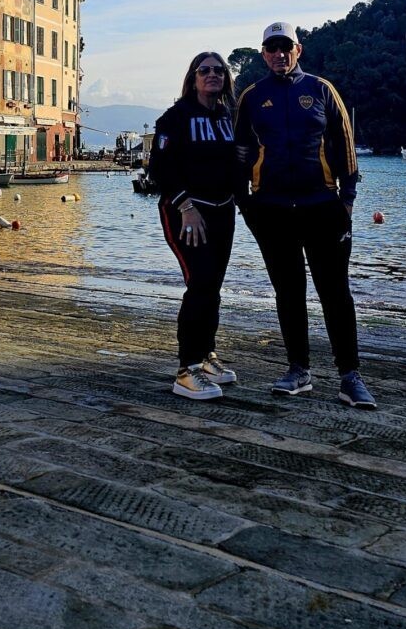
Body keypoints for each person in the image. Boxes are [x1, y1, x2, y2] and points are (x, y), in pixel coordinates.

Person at [234, 20, 376, 409]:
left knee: (335, 293)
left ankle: (350, 376)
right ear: (263, 54)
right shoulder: (251, 96)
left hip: (322, 207)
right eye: (271, 48)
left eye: (286, 47)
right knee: (289, 292)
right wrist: (246, 203)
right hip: (272, 211)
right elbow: (241, 152)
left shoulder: (321, 90)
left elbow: (346, 146)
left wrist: (346, 202)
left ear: (298, 50)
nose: (279, 54)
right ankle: (299, 370)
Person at [148, 51, 240, 400]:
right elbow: (160, 168)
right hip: (186, 212)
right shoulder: (175, 117)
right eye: (205, 70)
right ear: (193, 77)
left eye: (219, 71)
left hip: (222, 211)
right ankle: (186, 370)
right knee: (199, 283)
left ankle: (206, 357)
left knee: (213, 286)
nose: (213, 75)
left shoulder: (228, 116)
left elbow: (237, 163)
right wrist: (185, 205)